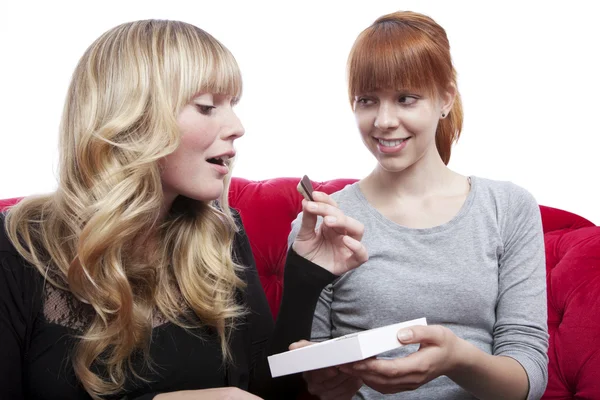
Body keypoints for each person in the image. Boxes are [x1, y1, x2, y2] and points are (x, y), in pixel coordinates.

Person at [0, 19, 368, 400]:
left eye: (233, 105)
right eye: (207, 107)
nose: (238, 126)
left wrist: (307, 273)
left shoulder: (222, 233)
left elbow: (262, 388)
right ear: (134, 117)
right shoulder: (16, 246)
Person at [288, 10, 549, 400]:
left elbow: (529, 375)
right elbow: (302, 370)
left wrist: (459, 360)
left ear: (445, 99)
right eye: (367, 100)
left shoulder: (508, 207)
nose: (384, 121)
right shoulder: (326, 222)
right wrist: (321, 381)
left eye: (406, 99)